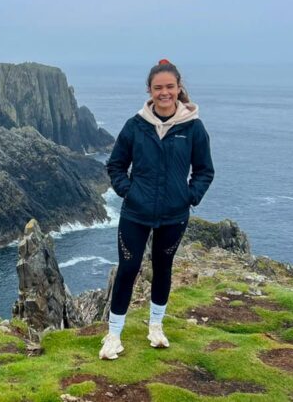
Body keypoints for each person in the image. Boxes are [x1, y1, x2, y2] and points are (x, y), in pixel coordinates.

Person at [99, 59, 214, 360]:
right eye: (158, 87)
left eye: (170, 87)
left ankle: (156, 327)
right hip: (135, 213)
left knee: (163, 268)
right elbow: (115, 165)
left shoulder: (193, 128)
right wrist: (129, 192)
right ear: (150, 90)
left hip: (174, 216)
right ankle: (113, 335)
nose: (164, 92)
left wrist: (189, 197)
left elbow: (204, 171)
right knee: (128, 269)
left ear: (178, 89)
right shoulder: (135, 126)